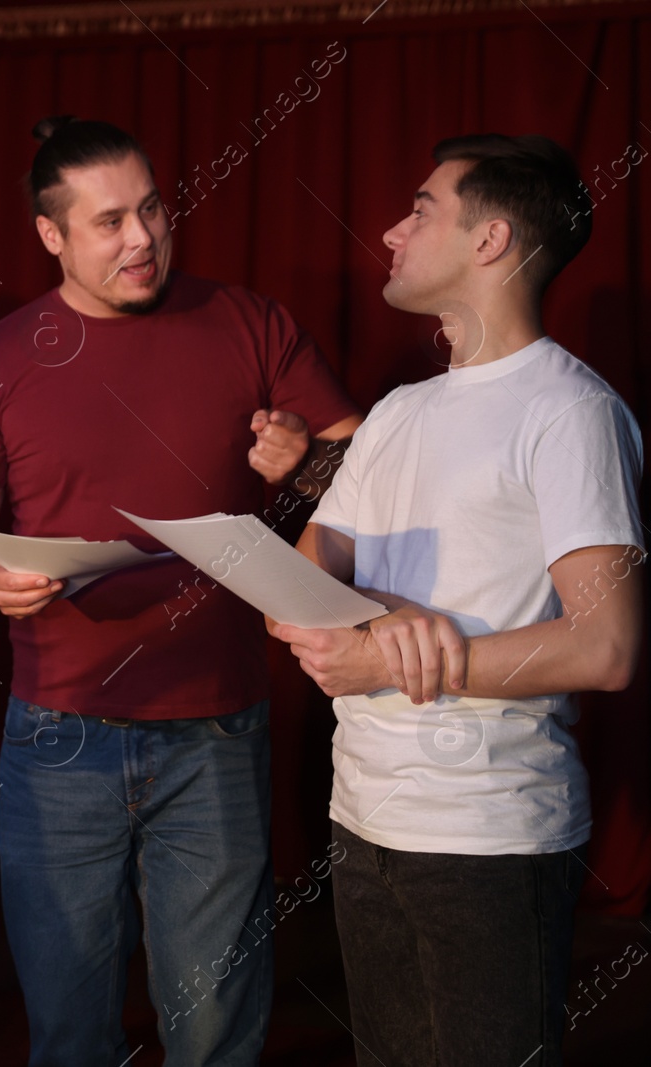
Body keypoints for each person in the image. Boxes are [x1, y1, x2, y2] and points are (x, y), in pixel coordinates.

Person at [0, 118, 362, 1066]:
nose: (143, 238)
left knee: (212, 1031)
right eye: (110, 221)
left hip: (216, 728)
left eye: (154, 208)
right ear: (52, 237)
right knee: (70, 1030)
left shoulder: (252, 321)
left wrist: (307, 464)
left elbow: (369, 468)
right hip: (57, 736)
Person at [268, 133, 643, 1067]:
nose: (394, 228)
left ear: (491, 241)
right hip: (362, 817)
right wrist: (383, 619)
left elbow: (606, 645)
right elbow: (300, 590)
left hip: (489, 835)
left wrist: (381, 647)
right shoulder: (396, 410)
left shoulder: (571, 410)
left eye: (423, 208)